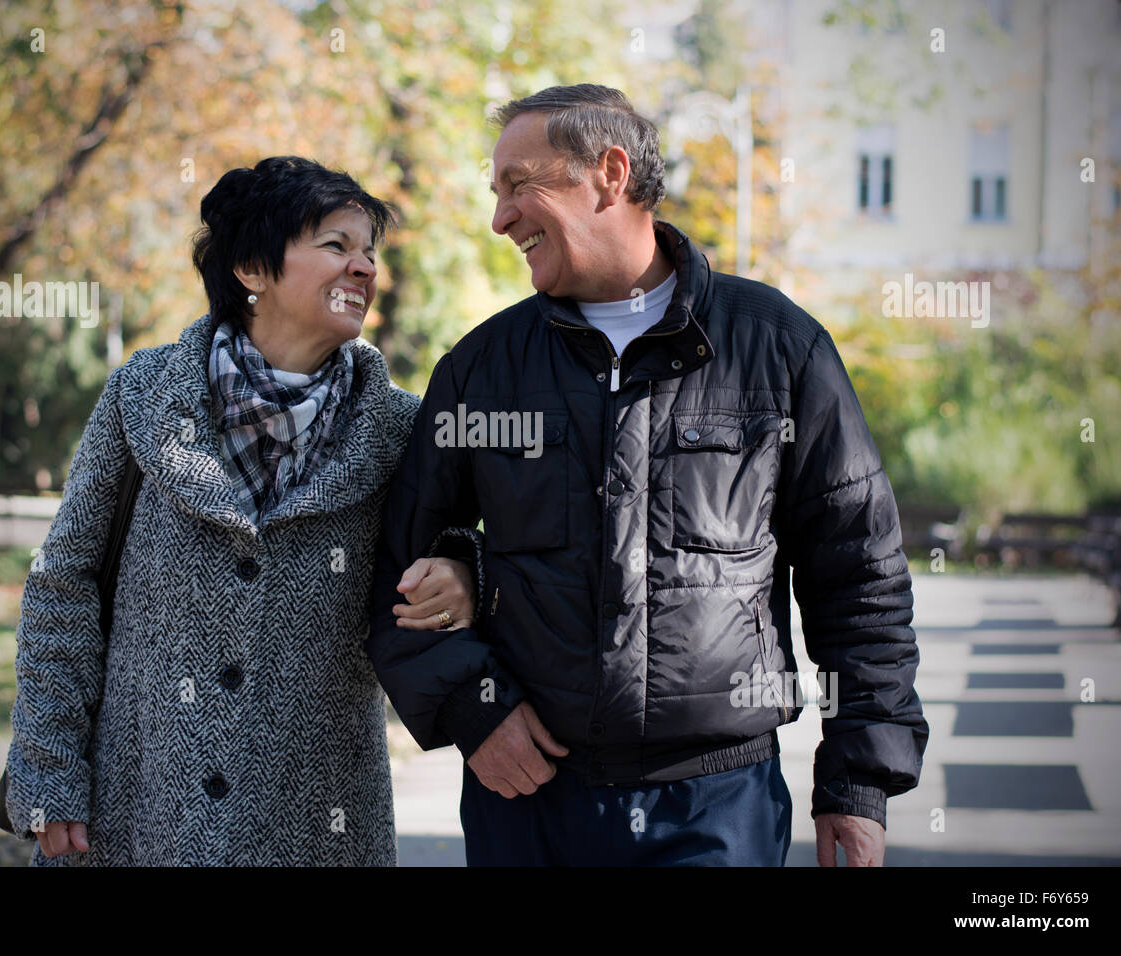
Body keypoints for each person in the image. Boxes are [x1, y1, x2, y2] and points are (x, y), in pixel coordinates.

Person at [367, 85, 929, 866]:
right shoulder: (481, 369)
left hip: (715, 809)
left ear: (609, 172)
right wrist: (472, 705)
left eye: (518, 185)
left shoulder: (778, 349)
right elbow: (397, 567)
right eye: (495, 192)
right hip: (527, 804)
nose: (500, 219)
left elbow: (859, 576)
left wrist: (859, 783)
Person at [5, 156, 479, 866]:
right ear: (252, 270)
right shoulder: (141, 397)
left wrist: (464, 571)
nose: (363, 269)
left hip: (318, 827)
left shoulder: (399, 432)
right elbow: (61, 586)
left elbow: (458, 547)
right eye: (336, 246)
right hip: (132, 816)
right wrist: (49, 777)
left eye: (369, 253)